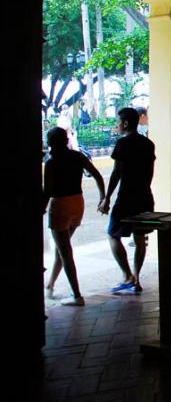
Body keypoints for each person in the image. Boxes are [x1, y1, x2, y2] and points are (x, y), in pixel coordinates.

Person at [42, 127, 106, 306]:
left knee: (65, 251)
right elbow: (97, 175)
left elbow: (47, 191)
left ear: (50, 142)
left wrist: (40, 208)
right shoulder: (77, 156)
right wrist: (103, 197)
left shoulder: (51, 162)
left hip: (60, 205)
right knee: (62, 247)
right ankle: (51, 285)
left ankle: (77, 295)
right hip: (78, 202)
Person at [100, 107, 156, 294]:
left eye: (118, 122)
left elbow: (117, 172)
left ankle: (127, 276)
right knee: (140, 237)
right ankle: (137, 278)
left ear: (125, 123)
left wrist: (107, 198)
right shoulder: (148, 144)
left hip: (126, 197)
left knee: (113, 234)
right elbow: (150, 173)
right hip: (144, 195)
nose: (116, 126)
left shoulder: (122, 144)